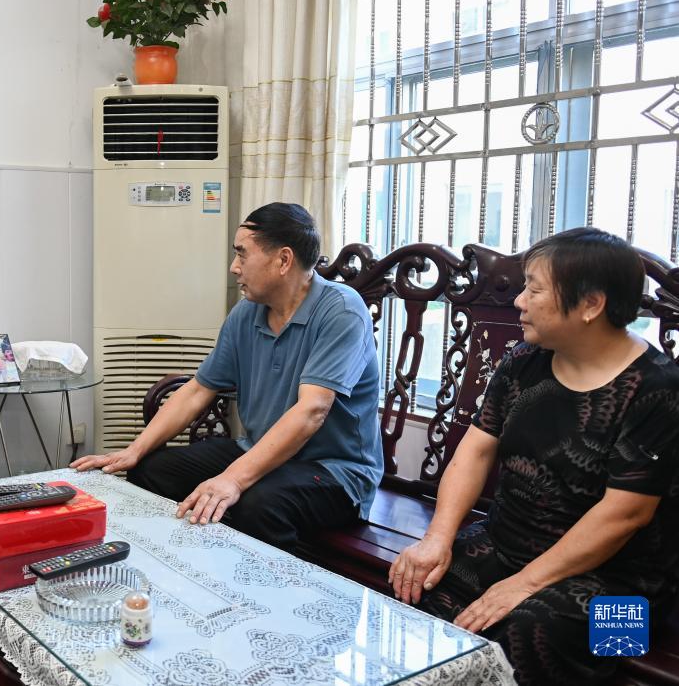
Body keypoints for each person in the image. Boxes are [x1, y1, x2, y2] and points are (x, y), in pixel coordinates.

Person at [387, 228, 679, 685]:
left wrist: (523, 585)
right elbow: (474, 451)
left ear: (591, 304)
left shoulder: (659, 388)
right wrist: (436, 539)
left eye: (535, 290)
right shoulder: (524, 360)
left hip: (629, 593)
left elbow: (626, 515)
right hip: (507, 548)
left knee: (528, 632)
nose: (519, 301)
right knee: (415, 583)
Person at [71, 203, 383, 550]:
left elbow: (312, 411)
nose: (234, 267)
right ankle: (187, 564)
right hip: (259, 451)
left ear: (283, 260)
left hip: (334, 471)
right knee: (151, 469)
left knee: (257, 504)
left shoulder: (341, 311)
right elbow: (198, 390)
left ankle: (277, 583)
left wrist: (232, 479)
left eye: (242, 254)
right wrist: (134, 450)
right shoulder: (246, 312)